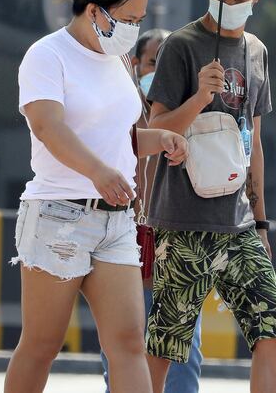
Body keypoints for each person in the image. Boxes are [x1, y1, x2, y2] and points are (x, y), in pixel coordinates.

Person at [4, 0, 188, 393]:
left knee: (127, 342)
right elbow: (48, 127)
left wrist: (159, 138)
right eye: (127, 19)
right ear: (94, 11)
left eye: (139, 20)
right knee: (42, 343)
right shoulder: (47, 54)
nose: (133, 28)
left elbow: (119, 137)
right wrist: (98, 172)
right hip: (58, 214)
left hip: (115, 222)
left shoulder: (119, 60)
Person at [145, 0, 276, 393]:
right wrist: (199, 97)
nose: (229, 3)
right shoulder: (181, 45)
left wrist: (261, 222)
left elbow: (255, 144)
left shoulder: (256, 51)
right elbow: (157, 129)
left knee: (273, 330)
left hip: (240, 222)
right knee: (165, 344)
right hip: (184, 221)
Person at [101, 28, 204, 393]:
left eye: (167, 64)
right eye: (151, 63)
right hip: (124, 243)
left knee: (183, 354)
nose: (158, 72)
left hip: (177, 243)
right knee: (122, 347)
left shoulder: (192, 115)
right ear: (135, 65)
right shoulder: (119, 111)